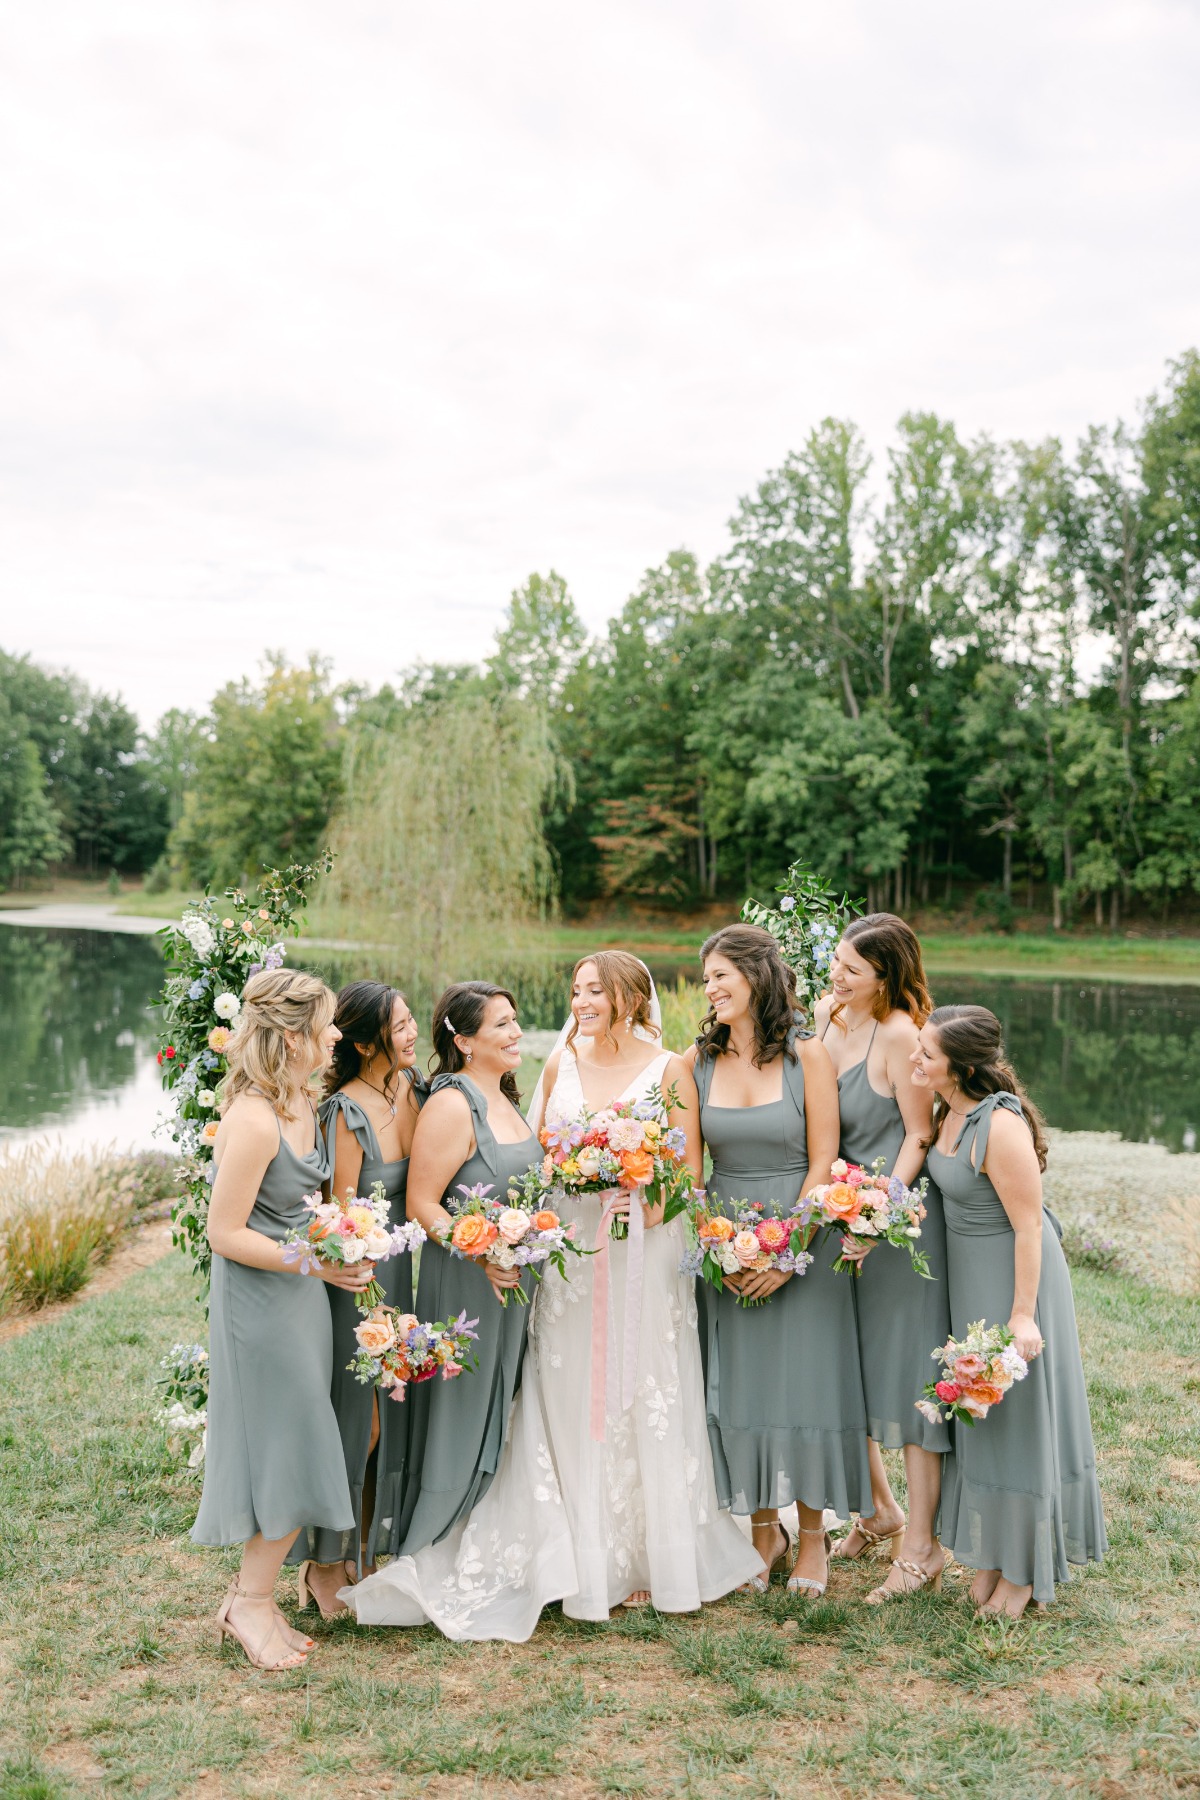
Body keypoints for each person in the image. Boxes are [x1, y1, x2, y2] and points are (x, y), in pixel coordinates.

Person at [526, 952, 761, 1616]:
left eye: (594, 990)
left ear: (630, 998)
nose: (581, 1002)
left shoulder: (670, 1070)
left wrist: (649, 1206)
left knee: (646, 1382)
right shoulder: (558, 1062)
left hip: (645, 1246)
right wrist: (575, 1172)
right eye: (575, 990)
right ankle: (585, 1550)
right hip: (572, 1248)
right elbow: (541, 1151)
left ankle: (655, 1553)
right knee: (573, 1383)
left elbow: (688, 1171)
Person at [192, 968, 372, 1672]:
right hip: (260, 1308)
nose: (336, 1036)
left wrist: (343, 1241)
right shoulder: (253, 1118)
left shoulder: (301, 1100)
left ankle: (252, 1598)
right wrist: (318, 1264)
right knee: (285, 1449)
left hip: (299, 1298)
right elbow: (224, 1233)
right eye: (326, 1025)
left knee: (297, 1446)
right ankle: (249, 1604)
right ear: (293, 1037)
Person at [685, 924, 868, 1603]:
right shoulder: (696, 1062)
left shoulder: (807, 1057)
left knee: (806, 1387)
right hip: (724, 1244)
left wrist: (788, 1249)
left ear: (757, 977)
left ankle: (813, 1535)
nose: (710, 990)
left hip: (804, 1236)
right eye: (706, 980)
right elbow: (691, 1170)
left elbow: (825, 1158)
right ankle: (763, 1530)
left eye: (720, 977)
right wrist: (719, 1246)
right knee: (742, 1388)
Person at [915, 1005, 1107, 1616]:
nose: (915, 1059)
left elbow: (1029, 1228)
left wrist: (1023, 1315)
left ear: (962, 1064)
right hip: (969, 1278)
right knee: (982, 1415)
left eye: (926, 1052)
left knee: (1018, 1416)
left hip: (1015, 1277)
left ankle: (1024, 1571)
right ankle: (994, 1553)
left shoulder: (1000, 1126)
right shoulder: (948, 1111)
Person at [814, 914, 951, 1603]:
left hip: (894, 1227)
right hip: (837, 1218)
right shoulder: (830, 1020)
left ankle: (921, 1546)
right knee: (848, 1368)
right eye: (836, 962)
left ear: (886, 978)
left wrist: (879, 1214)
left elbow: (919, 1136)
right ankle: (878, 1510)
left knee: (902, 1378)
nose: (837, 976)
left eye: (852, 970)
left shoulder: (901, 1034)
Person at [291, 981, 427, 1618]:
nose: (412, 1032)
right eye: (400, 1026)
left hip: (401, 1276)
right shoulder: (343, 1112)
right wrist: (369, 1298)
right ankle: (322, 1562)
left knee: (391, 1416)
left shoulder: (412, 1090)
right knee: (359, 1423)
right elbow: (340, 1214)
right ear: (367, 1039)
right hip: (356, 1281)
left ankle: (367, 1551)